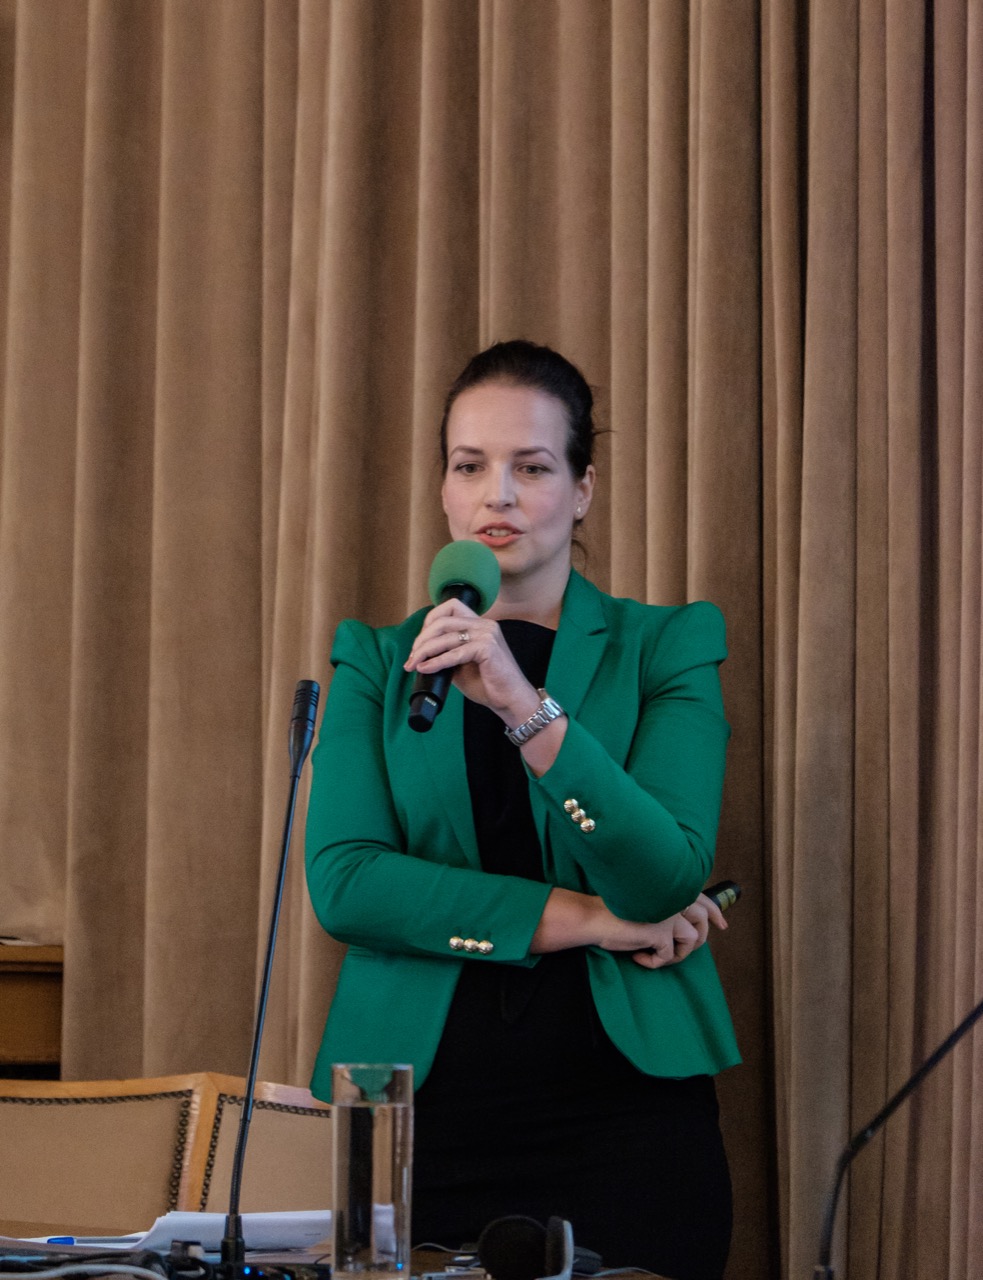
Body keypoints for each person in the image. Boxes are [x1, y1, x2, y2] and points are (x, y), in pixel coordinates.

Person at [305, 340, 740, 1280]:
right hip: (408, 1110)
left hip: (622, 1116)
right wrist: (591, 919)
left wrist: (519, 704)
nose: (495, 494)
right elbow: (346, 884)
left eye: (531, 468)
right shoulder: (375, 661)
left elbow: (663, 875)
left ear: (582, 490)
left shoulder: (667, 645)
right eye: (470, 466)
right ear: (444, 491)